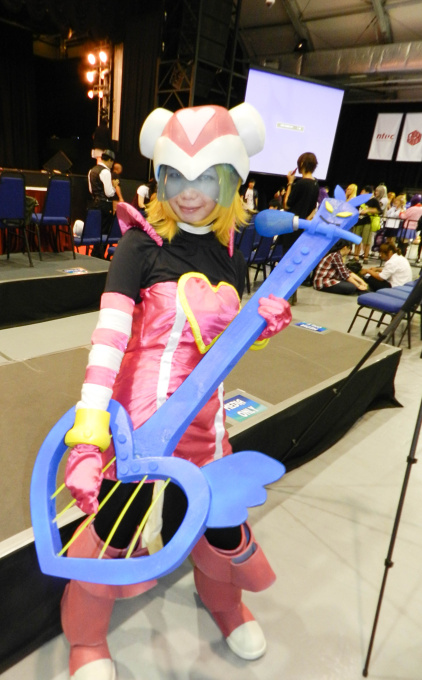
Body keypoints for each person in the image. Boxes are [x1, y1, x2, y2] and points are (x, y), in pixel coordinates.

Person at [60, 103, 292, 680]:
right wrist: (88, 438)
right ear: (161, 177)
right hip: (141, 424)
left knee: (218, 521)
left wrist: (261, 327)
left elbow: (220, 343)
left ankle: (225, 606)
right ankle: (85, 641)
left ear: (231, 180)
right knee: (115, 529)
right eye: (176, 177)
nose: (189, 193)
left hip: (206, 424)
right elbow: (108, 342)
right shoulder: (140, 246)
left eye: (206, 178)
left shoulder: (231, 249)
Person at [281, 152, 319, 302]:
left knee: (286, 261)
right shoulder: (315, 184)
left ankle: (285, 295)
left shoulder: (301, 184)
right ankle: (292, 295)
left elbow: (286, 204)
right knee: (296, 261)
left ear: (302, 164)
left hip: (291, 226)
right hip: (303, 227)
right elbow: (313, 209)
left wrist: (290, 183)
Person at [88, 149, 118, 243]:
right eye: (112, 162)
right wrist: (114, 186)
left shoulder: (92, 170)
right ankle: (99, 251)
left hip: (94, 204)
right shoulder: (106, 172)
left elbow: (91, 190)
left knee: (96, 231)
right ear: (109, 160)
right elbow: (109, 193)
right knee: (104, 232)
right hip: (105, 205)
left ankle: (95, 250)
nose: (112, 165)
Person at [350, 187, 381, 264]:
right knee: (357, 239)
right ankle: (356, 256)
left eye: (363, 191)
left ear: (367, 192)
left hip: (368, 221)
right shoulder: (359, 200)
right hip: (358, 221)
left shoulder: (373, 200)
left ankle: (365, 257)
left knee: (366, 240)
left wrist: (368, 210)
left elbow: (379, 210)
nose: (361, 193)